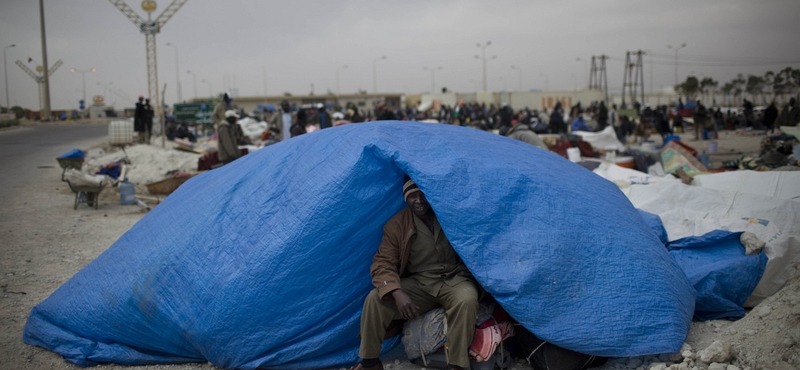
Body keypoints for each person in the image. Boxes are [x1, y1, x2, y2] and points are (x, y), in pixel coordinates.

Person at [351, 176, 478, 370]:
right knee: (375, 299)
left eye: (423, 195)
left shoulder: (447, 216)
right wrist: (396, 291)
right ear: (405, 198)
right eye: (412, 196)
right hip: (420, 284)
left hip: (454, 279)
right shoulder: (397, 225)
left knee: (466, 299)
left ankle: (458, 364)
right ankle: (369, 362)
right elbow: (382, 263)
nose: (418, 201)